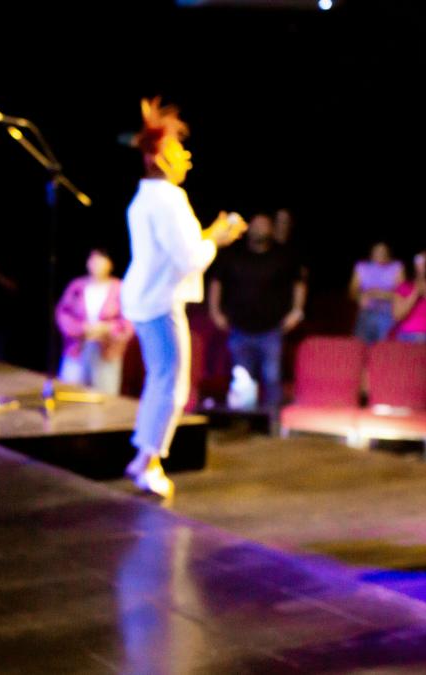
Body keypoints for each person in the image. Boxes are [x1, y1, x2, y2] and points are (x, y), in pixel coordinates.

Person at [120, 97, 246, 498]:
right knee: (171, 384)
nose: (187, 156)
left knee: (160, 381)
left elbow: (181, 249)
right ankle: (148, 461)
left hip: (146, 297)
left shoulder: (145, 198)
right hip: (159, 301)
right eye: (178, 150)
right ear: (159, 157)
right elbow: (190, 256)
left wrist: (210, 235)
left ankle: (144, 456)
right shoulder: (168, 198)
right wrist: (218, 236)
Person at [207, 212, 306, 410]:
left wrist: (297, 311)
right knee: (242, 379)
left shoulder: (283, 255)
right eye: (256, 225)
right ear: (249, 228)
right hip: (240, 326)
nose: (260, 229)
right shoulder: (233, 254)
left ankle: (272, 422)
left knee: (271, 377)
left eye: (265, 225)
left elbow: (299, 283)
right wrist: (215, 311)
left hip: (271, 328)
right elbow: (216, 283)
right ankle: (244, 421)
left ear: (271, 230)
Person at [55, 248, 133, 394]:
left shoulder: (119, 288)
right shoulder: (77, 286)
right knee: (69, 391)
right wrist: (81, 329)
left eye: (101, 259)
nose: (96, 263)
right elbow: (63, 313)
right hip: (77, 348)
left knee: (105, 394)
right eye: (93, 259)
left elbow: (129, 320)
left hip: (107, 350)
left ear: (110, 264)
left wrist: (107, 328)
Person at [350, 241, 404, 344]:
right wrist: (359, 297)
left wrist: (376, 293)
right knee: (362, 345)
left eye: (383, 251)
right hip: (366, 313)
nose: (380, 254)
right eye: (377, 251)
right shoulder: (362, 267)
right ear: (371, 252)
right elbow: (352, 291)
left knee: (386, 347)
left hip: (388, 313)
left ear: (388, 253)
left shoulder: (396, 267)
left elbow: (401, 293)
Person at [391, 251, 426, 343]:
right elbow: (397, 315)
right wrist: (415, 293)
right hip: (406, 335)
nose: (424, 264)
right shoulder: (404, 287)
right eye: (420, 261)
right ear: (415, 265)